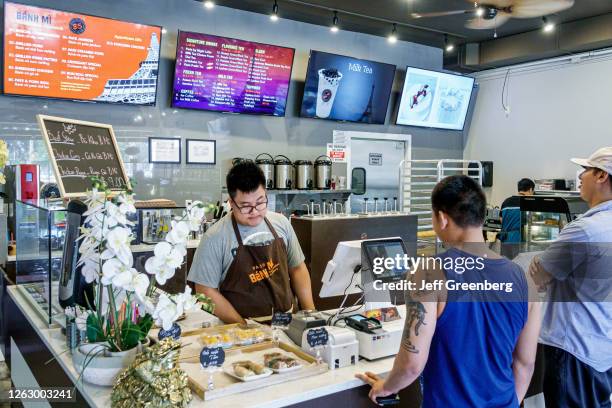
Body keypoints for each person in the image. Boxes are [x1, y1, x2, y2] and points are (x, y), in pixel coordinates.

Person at [357, 175, 541, 407]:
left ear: (442, 219)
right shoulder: (524, 280)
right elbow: (525, 364)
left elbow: (411, 365)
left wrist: (386, 386)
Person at [529, 147, 612, 407]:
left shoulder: (585, 230)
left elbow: (539, 276)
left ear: (601, 175)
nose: (580, 176)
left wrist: (538, 262)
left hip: (571, 348)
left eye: (586, 170)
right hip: (602, 347)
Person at [188, 161, 315, 324]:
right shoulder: (215, 238)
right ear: (231, 203)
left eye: (260, 202)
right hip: (241, 329)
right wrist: (243, 326)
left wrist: (311, 313)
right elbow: (205, 291)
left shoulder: (281, 223)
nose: (255, 211)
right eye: (246, 206)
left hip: (287, 322)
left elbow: (297, 269)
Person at [499, 178, 535, 244]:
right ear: (530, 190)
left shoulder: (506, 202)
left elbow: (501, 219)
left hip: (505, 239)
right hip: (519, 240)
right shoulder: (529, 202)